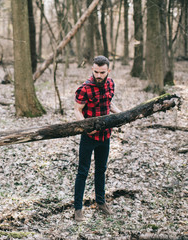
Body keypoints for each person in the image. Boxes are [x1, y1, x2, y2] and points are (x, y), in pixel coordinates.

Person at [73, 56, 121, 221]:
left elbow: (109, 104)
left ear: (108, 71)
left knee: (101, 170)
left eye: (102, 72)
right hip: (89, 137)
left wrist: (122, 115)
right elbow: (77, 110)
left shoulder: (110, 84)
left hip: (105, 135)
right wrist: (87, 127)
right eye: (96, 72)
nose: (98, 75)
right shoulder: (84, 89)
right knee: (83, 172)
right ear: (92, 70)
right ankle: (78, 208)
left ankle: (101, 203)